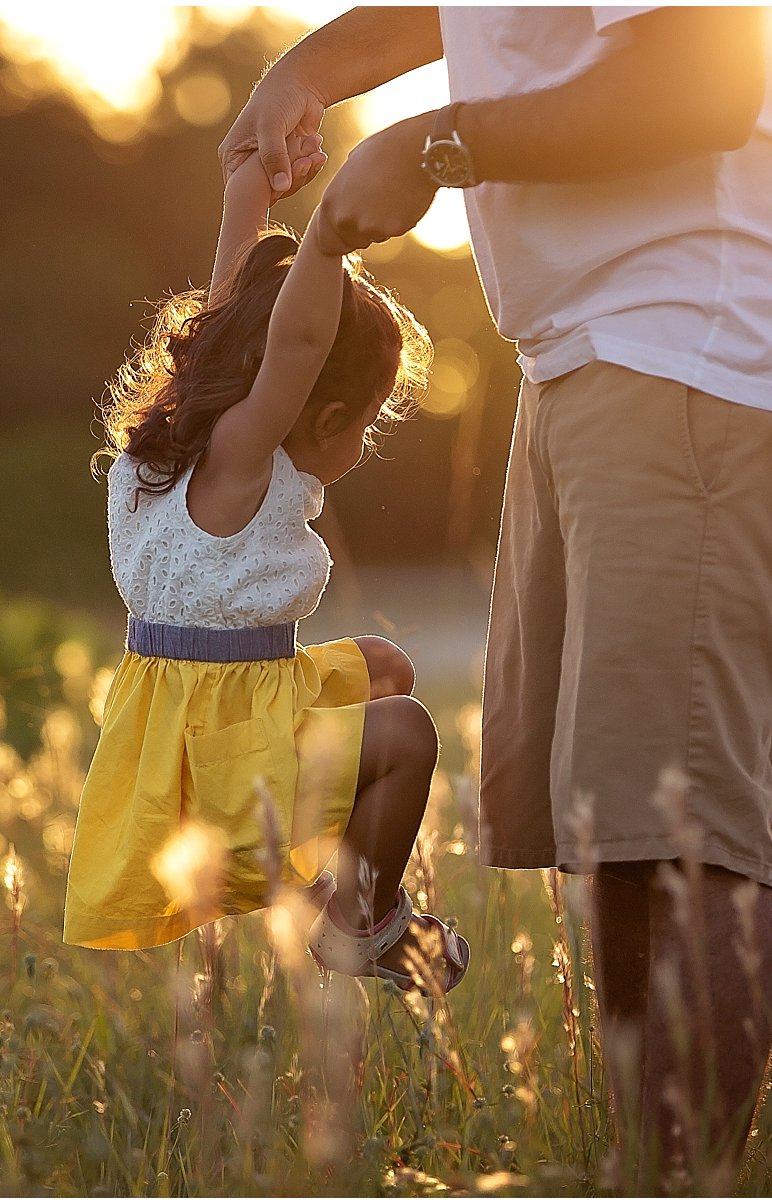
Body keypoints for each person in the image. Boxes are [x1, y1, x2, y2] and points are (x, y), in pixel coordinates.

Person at [221, 5, 772, 1180]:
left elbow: (699, 80)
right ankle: (650, 1172)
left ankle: (682, 1184)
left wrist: (435, 146)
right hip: (592, 347)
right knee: (611, 832)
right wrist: (311, 69)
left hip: (703, 336)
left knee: (672, 839)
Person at [63, 130, 469, 995]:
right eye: (363, 422)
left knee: (383, 668)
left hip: (204, 715)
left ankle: (331, 887)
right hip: (228, 756)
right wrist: (324, 238)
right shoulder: (246, 455)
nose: (361, 444)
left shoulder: (177, 444)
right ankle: (360, 922)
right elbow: (292, 346)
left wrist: (248, 188)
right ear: (318, 415)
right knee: (408, 736)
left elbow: (232, 311)